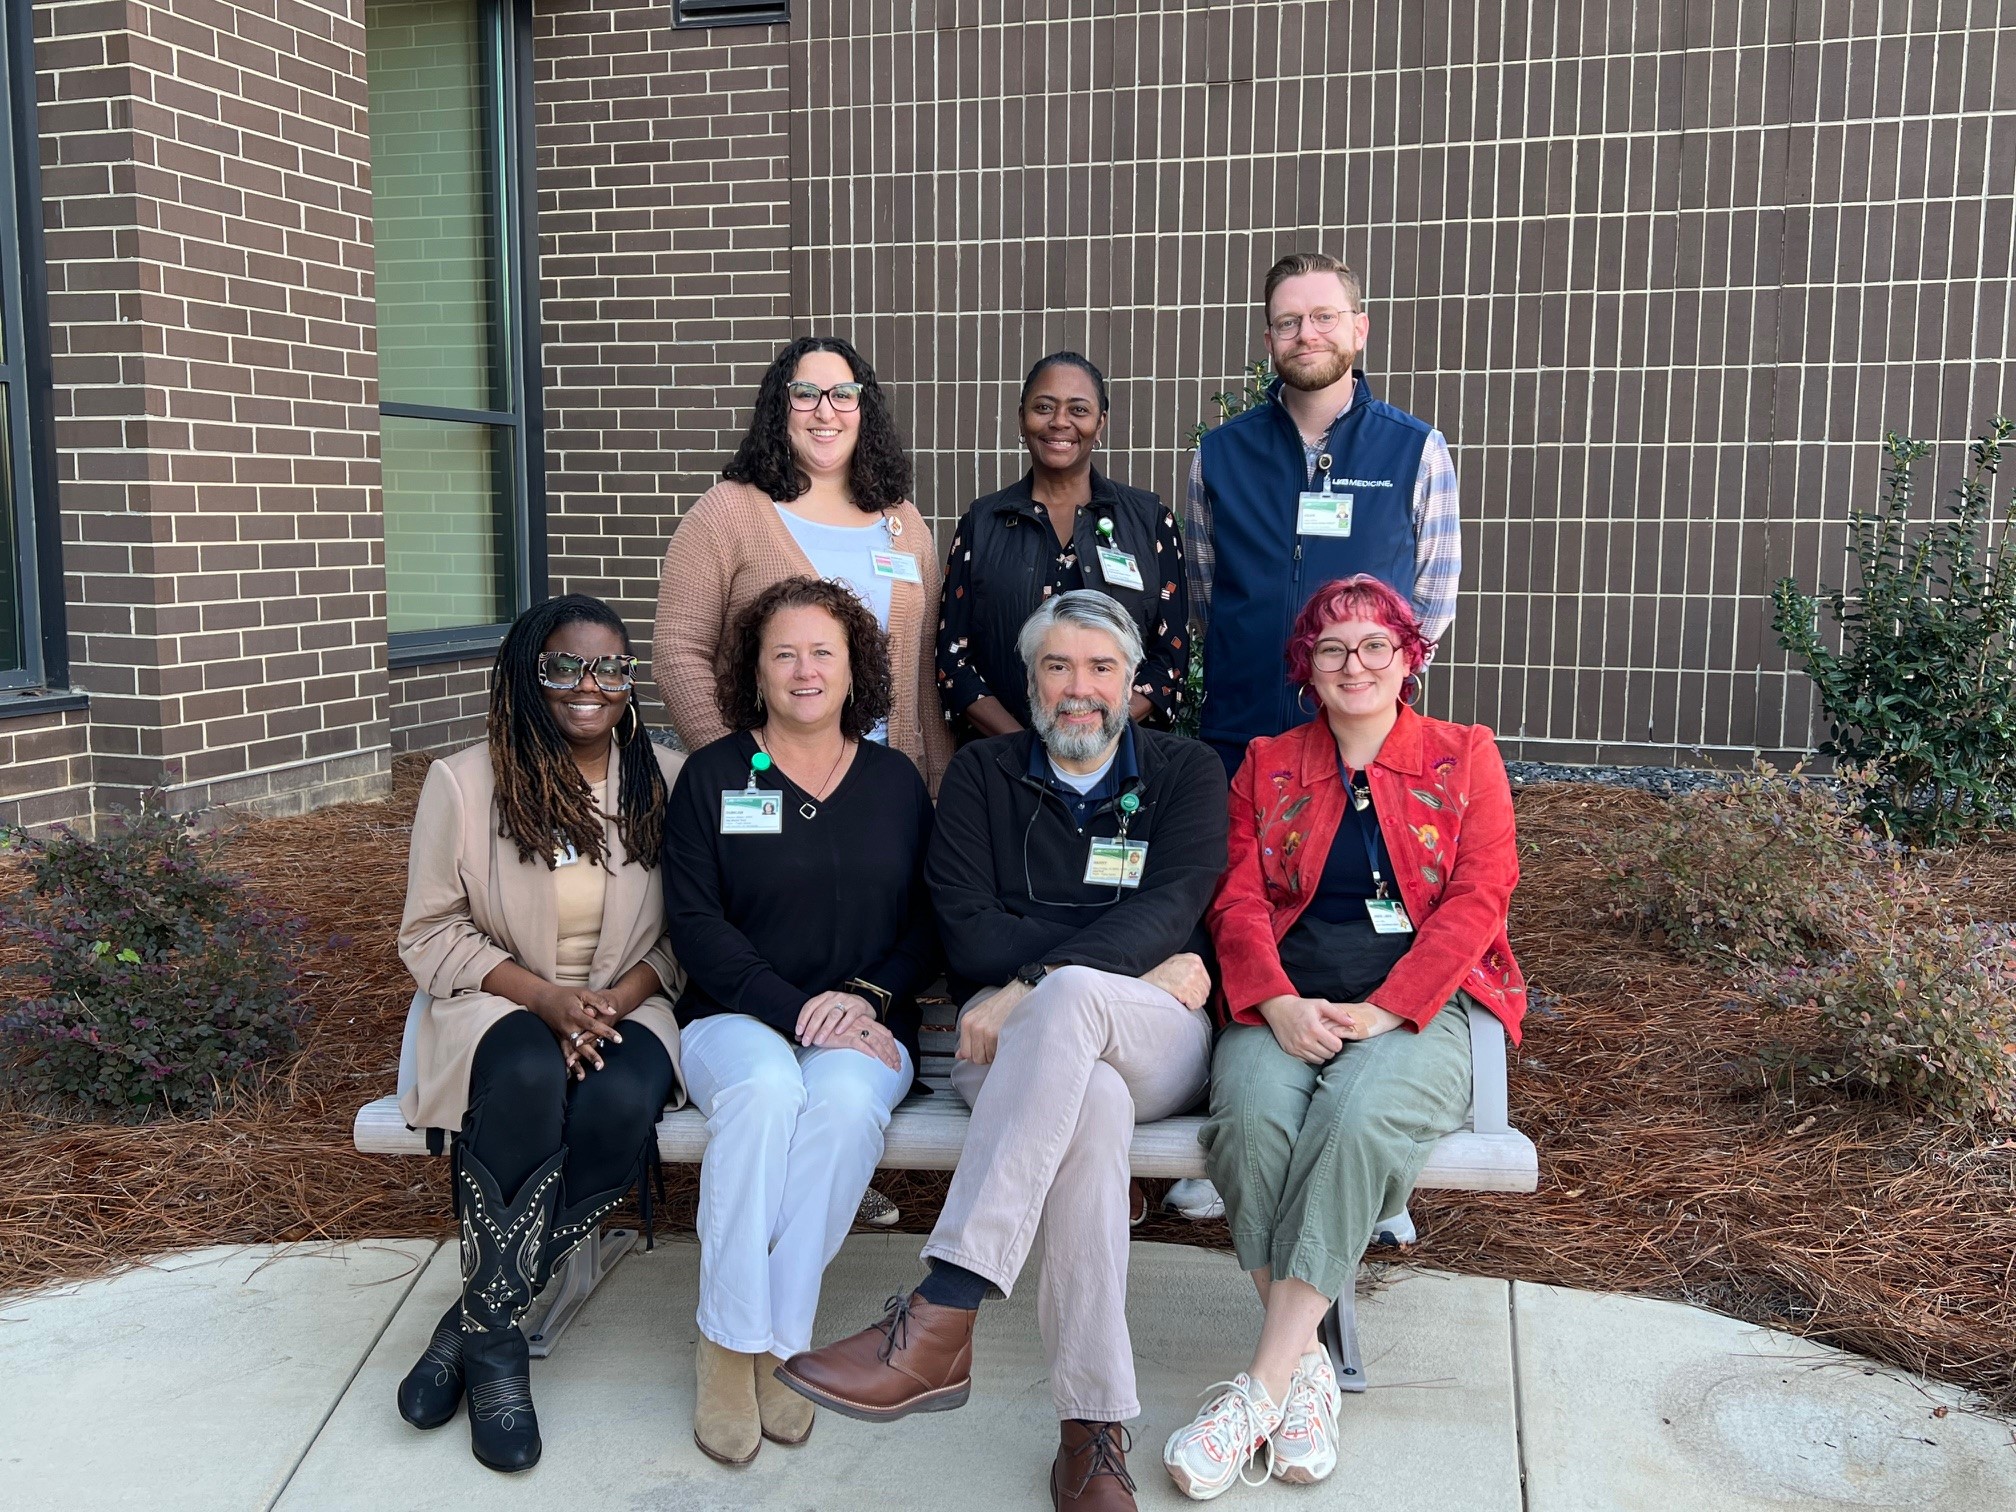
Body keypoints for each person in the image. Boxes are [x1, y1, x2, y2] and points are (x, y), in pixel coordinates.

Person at [778, 590, 1230, 1512]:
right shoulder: (982, 776)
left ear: (1134, 683)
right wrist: (1127, 964)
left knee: (1071, 1005)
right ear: (1029, 684)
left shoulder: (1186, 772)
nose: (1079, 689)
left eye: (1102, 668)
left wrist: (1043, 977)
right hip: (1015, 1043)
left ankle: (945, 1307)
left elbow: (1172, 907)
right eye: (1057, 668)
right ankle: (1092, 1433)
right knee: (1090, 1109)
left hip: (1149, 1041)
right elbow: (968, 934)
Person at [1160, 575, 1525, 1500]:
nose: (1354, 664)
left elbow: (1480, 900)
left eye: (1374, 647)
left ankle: (1263, 1385)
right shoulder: (1266, 764)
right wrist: (1275, 1002)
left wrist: (1388, 1009)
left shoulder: (1464, 755)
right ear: (1306, 669)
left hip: (1422, 1008)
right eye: (1331, 649)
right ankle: (1311, 1374)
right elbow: (1235, 897)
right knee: (1245, 1120)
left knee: (1359, 1118)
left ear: (1408, 657)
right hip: (1286, 998)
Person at [394, 594, 685, 1473]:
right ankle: (499, 1356)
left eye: (609, 667)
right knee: (525, 1073)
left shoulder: (665, 780)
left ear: (630, 683)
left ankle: (474, 1322)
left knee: (624, 1093)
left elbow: (686, 933)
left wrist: (605, 1002)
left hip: (629, 1001)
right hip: (500, 1000)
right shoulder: (466, 781)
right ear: (530, 673)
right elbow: (430, 931)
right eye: (564, 665)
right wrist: (545, 1002)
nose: (587, 685)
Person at [663, 576, 936, 1466]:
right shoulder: (713, 777)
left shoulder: (897, 783)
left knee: (847, 1103)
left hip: (867, 1022)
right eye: (784, 652)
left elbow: (926, 926)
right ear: (757, 669)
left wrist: (865, 1000)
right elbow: (696, 926)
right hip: (734, 1017)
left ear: (856, 670)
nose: (804, 669)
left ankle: (779, 1339)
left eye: (824, 651)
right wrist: (796, 1010)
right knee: (769, 1089)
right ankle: (726, 1343)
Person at [1185, 251, 1463, 776]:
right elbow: (1206, 597)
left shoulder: (1417, 451)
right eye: (1288, 322)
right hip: (1241, 734)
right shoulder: (1219, 455)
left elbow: (1431, 602)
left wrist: (1366, 682)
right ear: (1270, 342)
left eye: (1324, 317)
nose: (1306, 334)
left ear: (1359, 329)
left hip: (1363, 743)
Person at [654, 334, 953, 792]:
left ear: (863, 409)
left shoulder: (904, 522)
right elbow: (678, 654)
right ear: (781, 406)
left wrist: (936, 783)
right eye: (806, 394)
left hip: (886, 783)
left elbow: (924, 670)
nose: (825, 411)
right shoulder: (726, 513)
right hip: (769, 782)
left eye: (843, 395)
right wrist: (739, 765)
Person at [937, 351, 1188, 738]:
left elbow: (1169, 658)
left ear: (1100, 422)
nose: (1059, 422)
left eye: (1078, 410)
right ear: (1022, 417)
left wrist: (1097, 735)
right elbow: (953, 661)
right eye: (1044, 407)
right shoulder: (980, 524)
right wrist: (1026, 748)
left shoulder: (1151, 522)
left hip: (1122, 764)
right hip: (1006, 763)